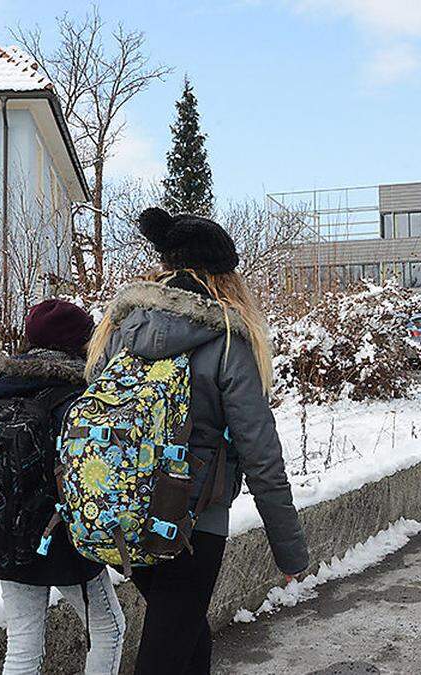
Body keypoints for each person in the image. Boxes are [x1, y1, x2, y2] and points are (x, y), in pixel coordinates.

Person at [85, 206, 310, 674]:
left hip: (123, 509)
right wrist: (290, 553)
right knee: (168, 648)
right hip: (194, 522)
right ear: (225, 278)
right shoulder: (227, 338)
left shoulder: (121, 328)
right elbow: (261, 454)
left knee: (186, 637)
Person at [0, 299, 126, 675]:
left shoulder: (1, 392)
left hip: (9, 534)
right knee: (109, 629)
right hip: (64, 539)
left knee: (24, 644)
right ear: (79, 343)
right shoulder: (81, 398)